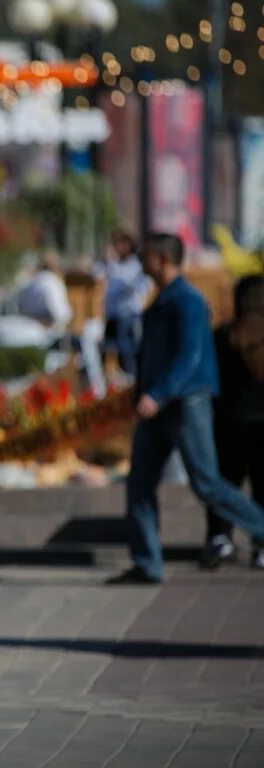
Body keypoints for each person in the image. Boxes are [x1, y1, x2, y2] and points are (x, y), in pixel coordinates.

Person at [108, 233, 264, 585]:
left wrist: (158, 393)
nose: (140, 262)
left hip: (185, 402)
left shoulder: (188, 302)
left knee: (207, 483)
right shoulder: (162, 301)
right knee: (140, 484)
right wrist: (140, 392)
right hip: (157, 404)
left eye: (146, 256)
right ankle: (147, 564)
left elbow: (189, 357)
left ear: (163, 259)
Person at [202, 275, 264, 569]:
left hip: (228, 424)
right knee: (263, 487)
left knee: (225, 484)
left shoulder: (224, 335)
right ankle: (261, 546)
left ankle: (220, 538)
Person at [101, 228, 152, 377]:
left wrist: (126, 288)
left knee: (128, 352)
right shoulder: (113, 264)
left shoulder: (136, 265)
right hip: (113, 314)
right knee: (108, 351)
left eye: (120, 244)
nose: (117, 248)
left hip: (128, 314)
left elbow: (144, 286)